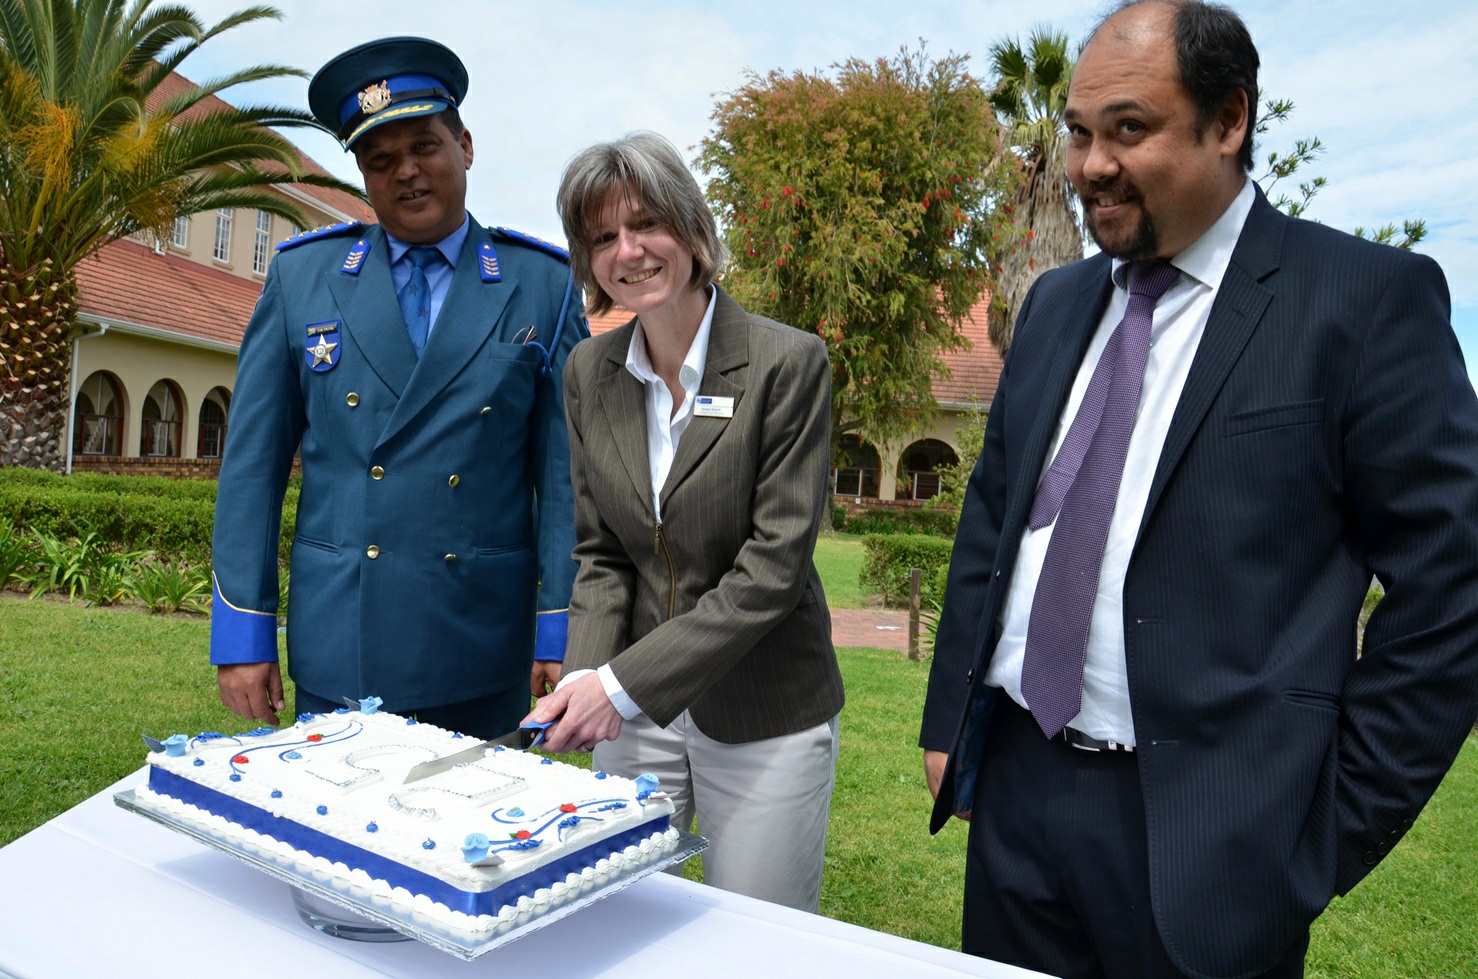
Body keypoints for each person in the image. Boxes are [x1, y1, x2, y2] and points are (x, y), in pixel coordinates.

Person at [919, 2, 1478, 977]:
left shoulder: (1360, 303)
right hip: (1013, 798)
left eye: (1127, 129)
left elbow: (1454, 587)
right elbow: (991, 517)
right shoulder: (1054, 304)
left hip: (1209, 835)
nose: (1089, 164)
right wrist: (948, 723)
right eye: (1078, 134)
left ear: (1227, 122)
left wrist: (1322, 828)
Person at [210, 37, 586, 740]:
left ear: (465, 146)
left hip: (481, 644)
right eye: (380, 160)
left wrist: (558, 626)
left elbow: (565, 479)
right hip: (341, 641)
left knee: (475, 843)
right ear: (361, 174)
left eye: (425, 146)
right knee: (334, 844)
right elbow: (251, 472)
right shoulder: (303, 278)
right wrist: (243, 636)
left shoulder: (544, 284)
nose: (406, 172)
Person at [524, 132, 845, 912]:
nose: (628, 251)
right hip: (634, 718)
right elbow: (600, 554)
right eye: (602, 237)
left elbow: (770, 572)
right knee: (616, 918)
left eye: (646, 225)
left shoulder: (788, 364)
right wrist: (582, 678)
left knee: (757, 941)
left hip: (764, 712)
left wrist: (619, 683)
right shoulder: (587, 372)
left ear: (693, 232)